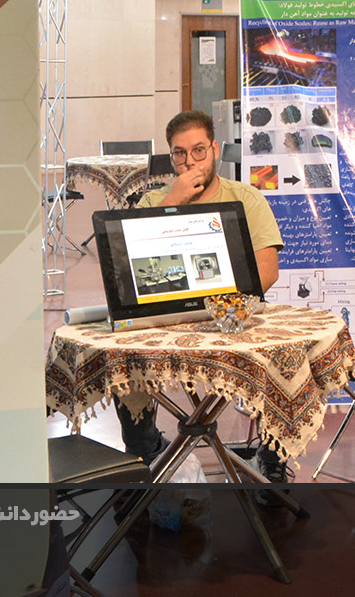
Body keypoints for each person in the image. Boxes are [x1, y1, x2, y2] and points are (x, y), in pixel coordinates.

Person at [117, 110, 286, 481]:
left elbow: (268, 271)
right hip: (167, 320)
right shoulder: (152, 202)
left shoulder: (246, 198)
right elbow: (128, 272)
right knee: (124, 353)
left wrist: (222, 305)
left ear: (214, 150)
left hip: (231, 317)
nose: (190, 162)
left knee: (281, 352)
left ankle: (272, 459)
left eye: (198, 151)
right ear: (171, 157)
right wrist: (172, 202)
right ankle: (146, 450)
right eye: (180, 154)